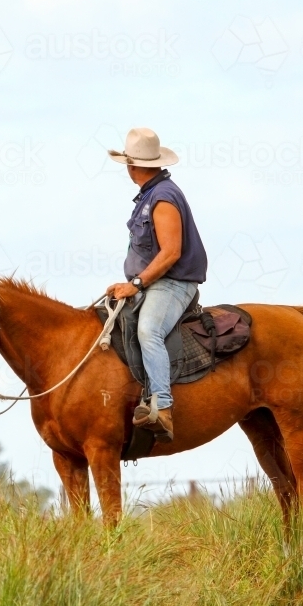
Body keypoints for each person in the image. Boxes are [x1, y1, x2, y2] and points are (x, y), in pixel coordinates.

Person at [105, 128, 208, 443]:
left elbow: (171, 253)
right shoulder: (150, 194)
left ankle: (162, 406)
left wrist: (135, 284)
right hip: (154, 283)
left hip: (174, 283)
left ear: (131, 166)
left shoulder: (162, 197)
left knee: (148, 330)